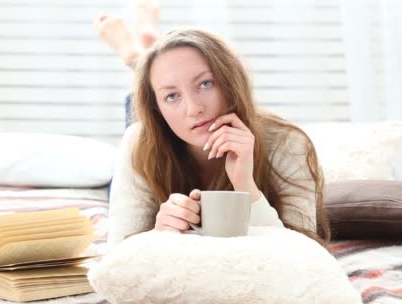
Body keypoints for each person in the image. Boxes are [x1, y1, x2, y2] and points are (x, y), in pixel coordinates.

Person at [95, 3, 330, 246]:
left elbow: (303, 253)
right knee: (138, 106)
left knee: (163, 80)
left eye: (205, 84)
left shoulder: (288, 143)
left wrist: (246, 186)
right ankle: (136, 55)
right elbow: (118, 253)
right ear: (159, 110)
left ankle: (141, 52)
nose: (194, 108)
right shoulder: (138, 141)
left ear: (230, 82)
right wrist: (158, 235)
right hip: (152, 130)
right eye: (172, 97)